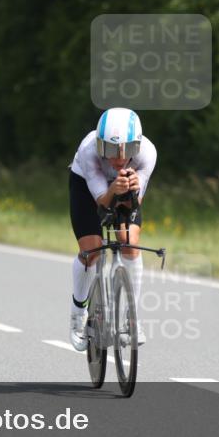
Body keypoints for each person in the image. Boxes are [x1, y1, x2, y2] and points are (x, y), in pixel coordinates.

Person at [67, 107, 156, 351]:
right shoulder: (88, 151)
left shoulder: (147, 154)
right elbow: (102, 205)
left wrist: (133, 191)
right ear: (99, 144)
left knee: (129, 241)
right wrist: (114, 190)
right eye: (109, 149)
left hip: (123, 188)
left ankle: (132, 318)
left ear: (136, 146)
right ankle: (77, 314)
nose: (117, 157)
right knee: (92, 251)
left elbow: (132, 206)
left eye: (126, 150)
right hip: (87, 188)